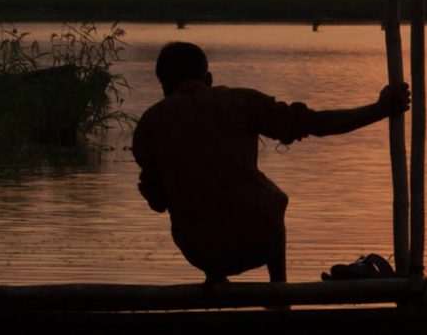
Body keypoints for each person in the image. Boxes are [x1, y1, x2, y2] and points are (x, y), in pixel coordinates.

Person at [132, 41, 410, 283]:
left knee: (206, 194)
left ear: (164, 86)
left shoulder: (149, 123)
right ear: (209, 78)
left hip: (199, 252)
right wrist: (380, 109)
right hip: (259, 242)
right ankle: (280, 294)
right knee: (272, 194)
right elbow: (317, 124)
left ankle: (215, 280)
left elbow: (158, 203)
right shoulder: (240, 101)